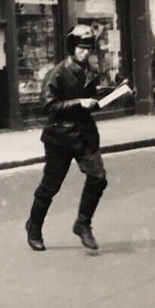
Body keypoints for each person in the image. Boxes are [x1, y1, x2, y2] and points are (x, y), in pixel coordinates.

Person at [25, 24, 107, 252]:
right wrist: (79, 102)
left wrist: (102, 99)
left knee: (98, 178)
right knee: (50, 186)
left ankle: (83, 223)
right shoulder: (58, 73)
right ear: (72, 47)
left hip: (84, 135)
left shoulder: (91, 71)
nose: (85, 52)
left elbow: (91, 99)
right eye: (81, 47)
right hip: (59, 137)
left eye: (89, 47)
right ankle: (34, 227)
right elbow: (48, 105)